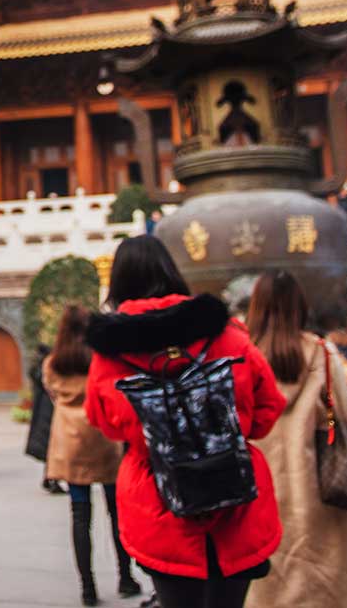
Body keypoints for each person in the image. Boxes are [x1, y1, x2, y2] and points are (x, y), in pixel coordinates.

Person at [85, 235, 286, 608]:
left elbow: (104, 422)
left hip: (158, 501)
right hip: (236, 494)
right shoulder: (226, 334)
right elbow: (268, 408)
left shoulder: (110, 353)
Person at [242, 270, 347, 608]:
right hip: (320, 485)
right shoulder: (320, 352)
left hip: (261, 490)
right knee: (331, 583)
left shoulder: (242, 356)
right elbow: (345, 413)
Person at [43, 305, 138, 605]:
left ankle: (88, 587)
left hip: (70, 443)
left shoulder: (53, 364)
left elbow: (52, 394)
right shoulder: (100, 359)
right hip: (103, 438)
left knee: (80, 514)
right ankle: (125, 576)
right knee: (115, 512)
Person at [26, 343, 64, 494]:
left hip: (41, 410)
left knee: (50, 446)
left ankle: (50, 478)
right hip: (49, 411)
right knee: (53, 446)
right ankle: (52, 478)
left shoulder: (37, 369)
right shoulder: (47, 369)